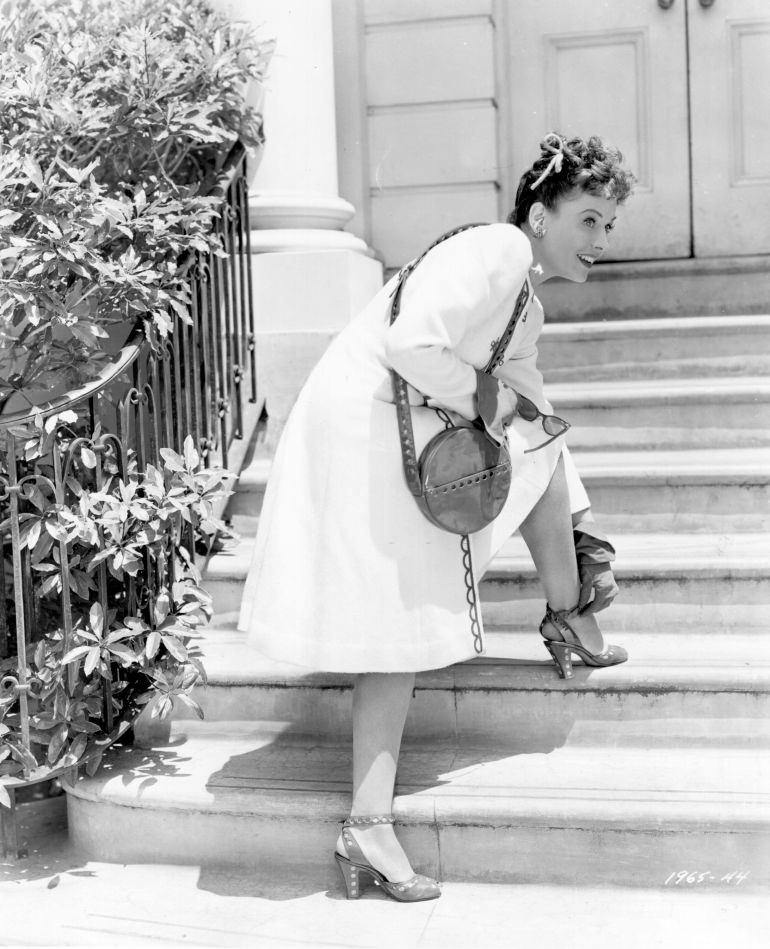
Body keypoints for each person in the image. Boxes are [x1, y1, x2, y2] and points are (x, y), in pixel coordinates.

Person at [238, 132, 636, 902]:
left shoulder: (525, 298)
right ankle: (570, 618)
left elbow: (536, 417)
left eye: (608, 226)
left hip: (390, 431)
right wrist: (490, 402)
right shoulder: (496, 250)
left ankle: (570, 613)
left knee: (529, 469)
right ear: (542, 214)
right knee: (399, 625)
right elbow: (412, 341)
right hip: (366, 431)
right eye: (588, 219)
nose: (600, 241)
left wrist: (556, 483)